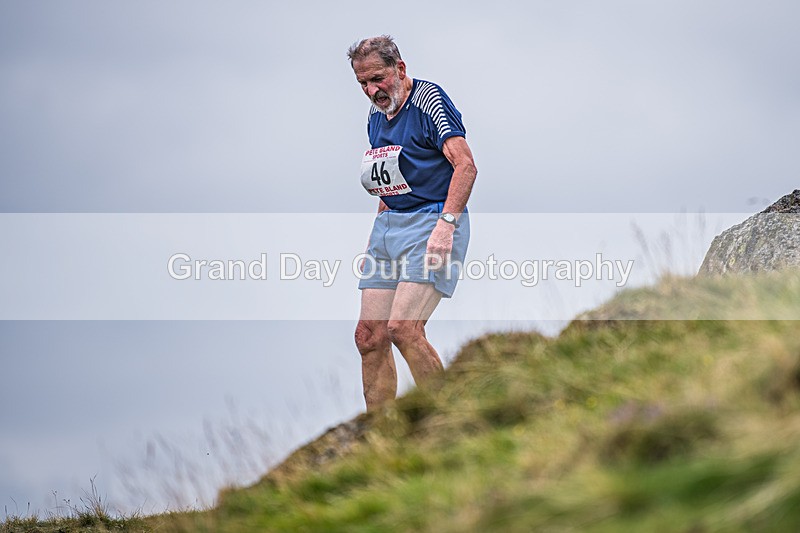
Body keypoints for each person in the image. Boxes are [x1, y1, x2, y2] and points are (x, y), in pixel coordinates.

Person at [347, 35, 477, 411]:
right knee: (368, 336)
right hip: (389, 227)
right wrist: (378, 233)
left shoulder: (428, 100)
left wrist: (446, 224)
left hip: (433, 222)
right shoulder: (375, 116)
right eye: (362, 84)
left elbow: (466, 166)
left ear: (399, 69)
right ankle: (378, 437)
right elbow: (388, 178)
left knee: (403, 327)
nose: (372, 90)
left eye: (377, 79)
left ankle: (448, 419)